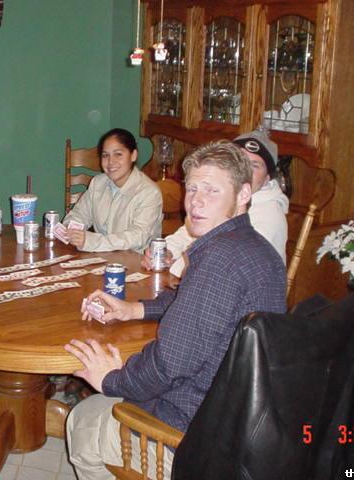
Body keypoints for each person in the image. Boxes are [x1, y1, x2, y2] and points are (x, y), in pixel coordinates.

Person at [64, 141, 287, 480]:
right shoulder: (253, 247)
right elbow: (198, 303)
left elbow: (168, 366)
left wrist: (111, 379)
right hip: (242, 420)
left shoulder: (218, 260)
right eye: (192, 188)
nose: (196, 201)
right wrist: (134, 309)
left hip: (194, 435)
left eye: (211, 190)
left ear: (243, 194)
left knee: (84, 417)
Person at [144, 128, 289, 277]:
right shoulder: (220, 199)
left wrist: (175, 264)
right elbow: (188, 232)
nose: (246, 170)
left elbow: (222, 263)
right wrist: (168, 251)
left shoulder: (270, 215)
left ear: (267, 178)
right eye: (240, 162)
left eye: (255, 165)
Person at [62, 128, 163, 253]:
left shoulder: (149, 192)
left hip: (136, 260)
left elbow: (138, 237)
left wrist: (91, 241)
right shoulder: (98, 183)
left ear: (133, 155)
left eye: (118, 154)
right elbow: (79, 215)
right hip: (102, 257)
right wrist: (71, 230)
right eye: (105, 155)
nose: (110, 162)